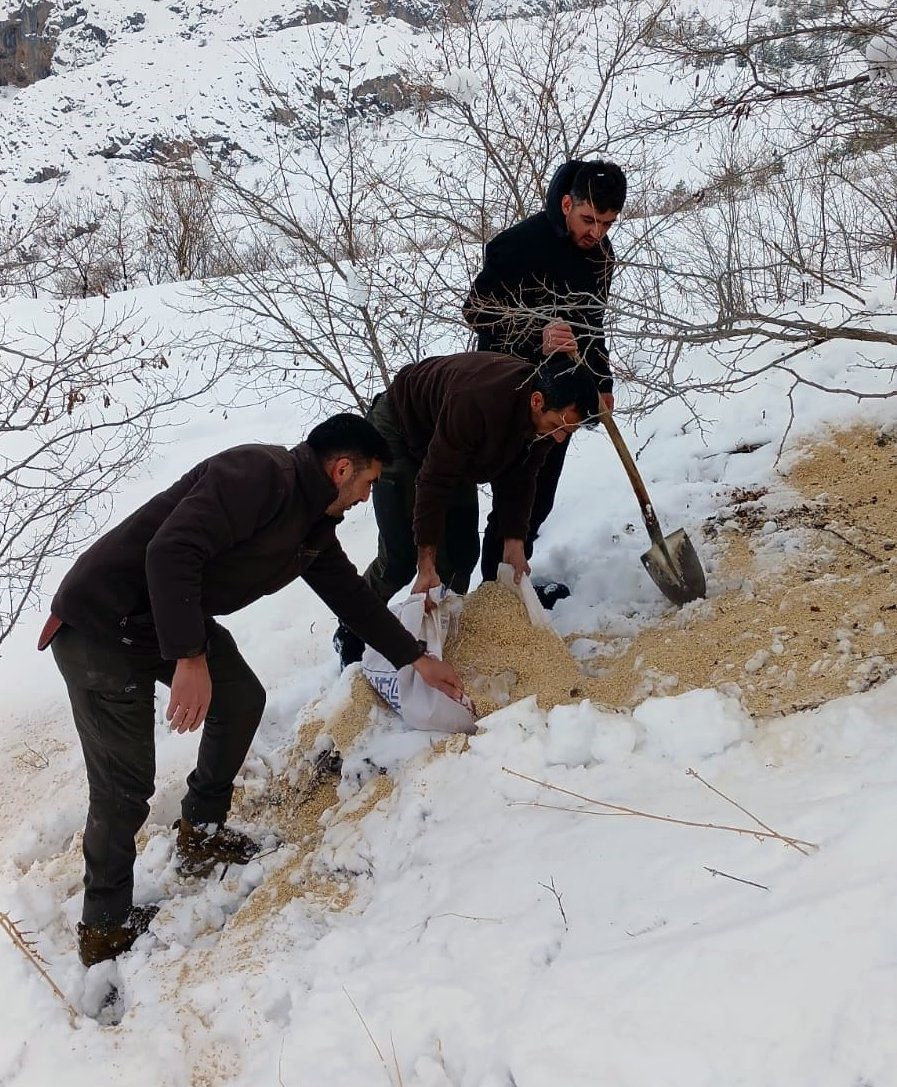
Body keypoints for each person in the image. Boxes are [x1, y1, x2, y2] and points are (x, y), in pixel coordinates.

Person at [38, 414, 463, 966]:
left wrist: (417, 659)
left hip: (165, 618)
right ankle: (104, 928)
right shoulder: (257, 474)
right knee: (124, 786)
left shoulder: (311, 527)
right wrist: (190, 656)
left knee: (240, 699)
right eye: (367, 483)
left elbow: (353, 599)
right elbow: (170, 552)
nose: (366, 496)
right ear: (340, 470)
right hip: (102, 625)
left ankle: (202, 828)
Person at [333, 352, 599, 666]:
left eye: (568, 431)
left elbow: (523, 476)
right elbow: (434, 481)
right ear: (537, 401)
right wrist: (426, 562)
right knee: (401, 557)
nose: (559, 437)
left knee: (461, 553)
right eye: (557, 426)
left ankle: (440, 632)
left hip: (450, 444)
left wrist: (514, 541)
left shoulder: (546, 420)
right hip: (400, 432)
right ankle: (352, 630)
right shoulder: (478, 402)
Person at [463, 159, 626, 604]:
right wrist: (534, 333)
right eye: (588, 220)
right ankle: (495, 600)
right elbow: (476, 312)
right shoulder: (517, 247)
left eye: (607, 224)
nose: (596, 233)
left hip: (565, 394)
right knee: (514, 496)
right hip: (510, 390)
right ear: (567, 203)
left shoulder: (601, 259)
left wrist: (602, 381)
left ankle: (509, 588)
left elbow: (592, 329)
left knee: (538, 500)